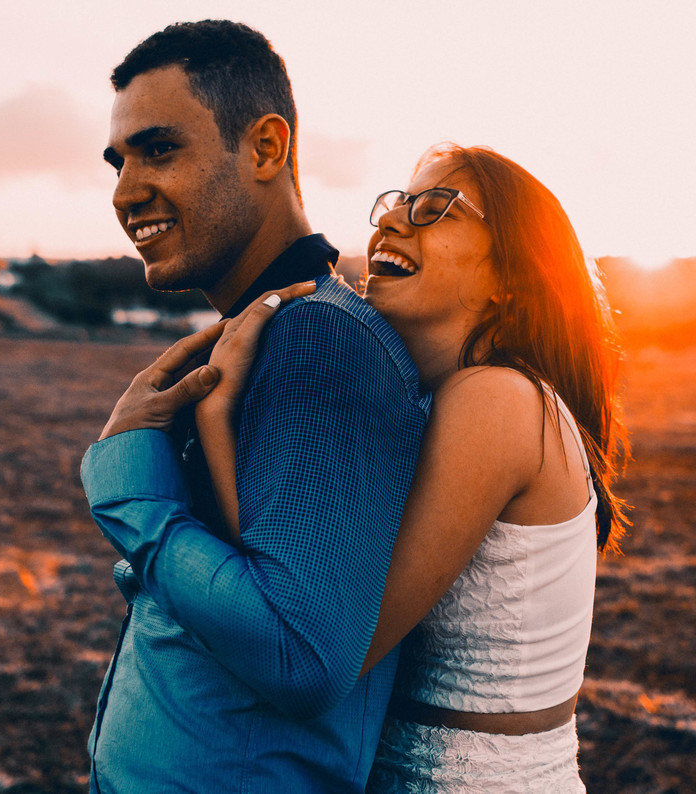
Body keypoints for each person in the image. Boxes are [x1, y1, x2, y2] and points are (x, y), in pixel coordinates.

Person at [159, 143, 628, 791]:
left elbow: (316, 644)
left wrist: (214, 426)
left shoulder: (495, 399)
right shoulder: (450, 400)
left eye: (437, 209)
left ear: (512, 277)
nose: (392, 221)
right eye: (397, 202)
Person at [79, 20, 430, 793]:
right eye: (119, 161)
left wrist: (128, 484)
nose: (125, 191)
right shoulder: (257, 340)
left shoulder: (318, 344)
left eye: (160, 149)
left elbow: (299, 655)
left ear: (267, 148)